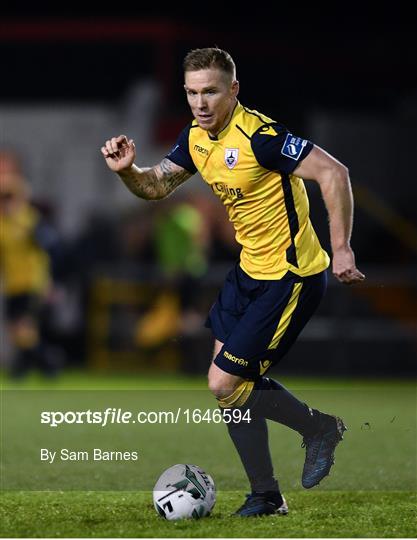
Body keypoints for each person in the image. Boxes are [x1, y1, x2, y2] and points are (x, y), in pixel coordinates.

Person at [101, 47, 365, 517]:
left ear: (233, 90)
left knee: (225, 382)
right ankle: (266, 495)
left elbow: (333, 172)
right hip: (247, 272)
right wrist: (129, 173)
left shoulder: (261, 137)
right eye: (192, 93)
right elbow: (157, 186)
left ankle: (318, 429)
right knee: (231, 389)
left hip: (291, 277)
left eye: (211, 91)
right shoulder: (197, 140)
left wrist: (341, 247)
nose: (200, 103)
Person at [0, 150, 63, 378]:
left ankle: (47, 362)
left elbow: (50, 249)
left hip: (31, 281)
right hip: (12, 284)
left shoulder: (28, 220)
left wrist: (50, 280)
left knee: (23, 328)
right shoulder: (4, 225)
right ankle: (32, 365)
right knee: (16, 330)